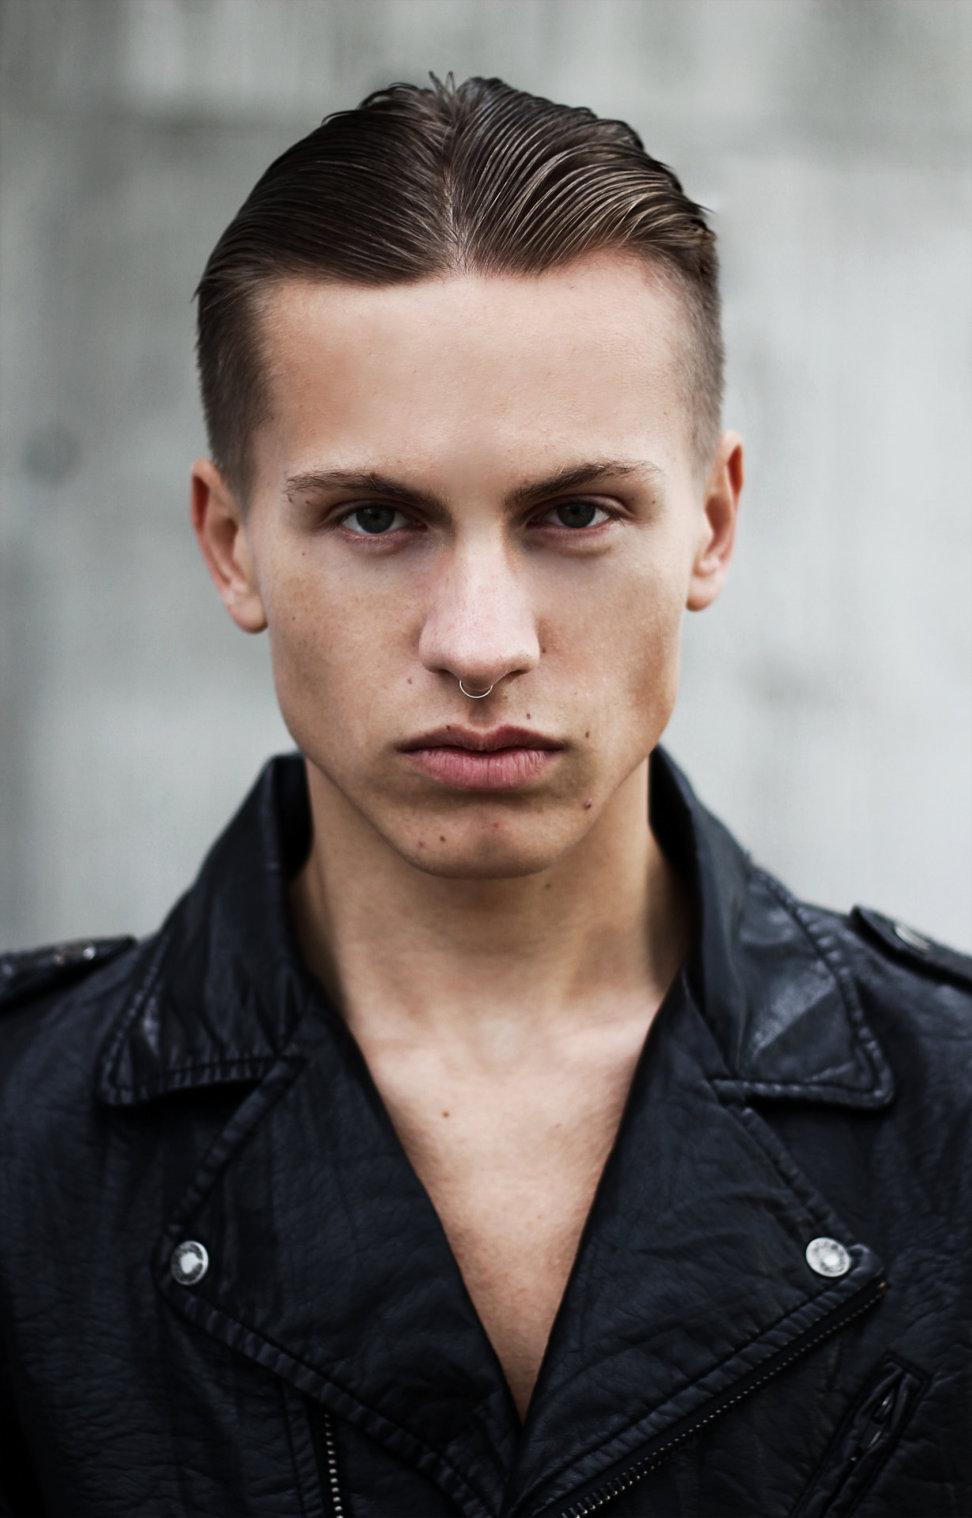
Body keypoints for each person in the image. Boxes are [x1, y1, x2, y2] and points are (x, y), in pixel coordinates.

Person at [1, 72, 969, 1518]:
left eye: (574, 512)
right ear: (231, 542)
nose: (480, 642)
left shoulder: (958, 1111)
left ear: (711, 523)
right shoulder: (20, 1133)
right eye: (374, 516)